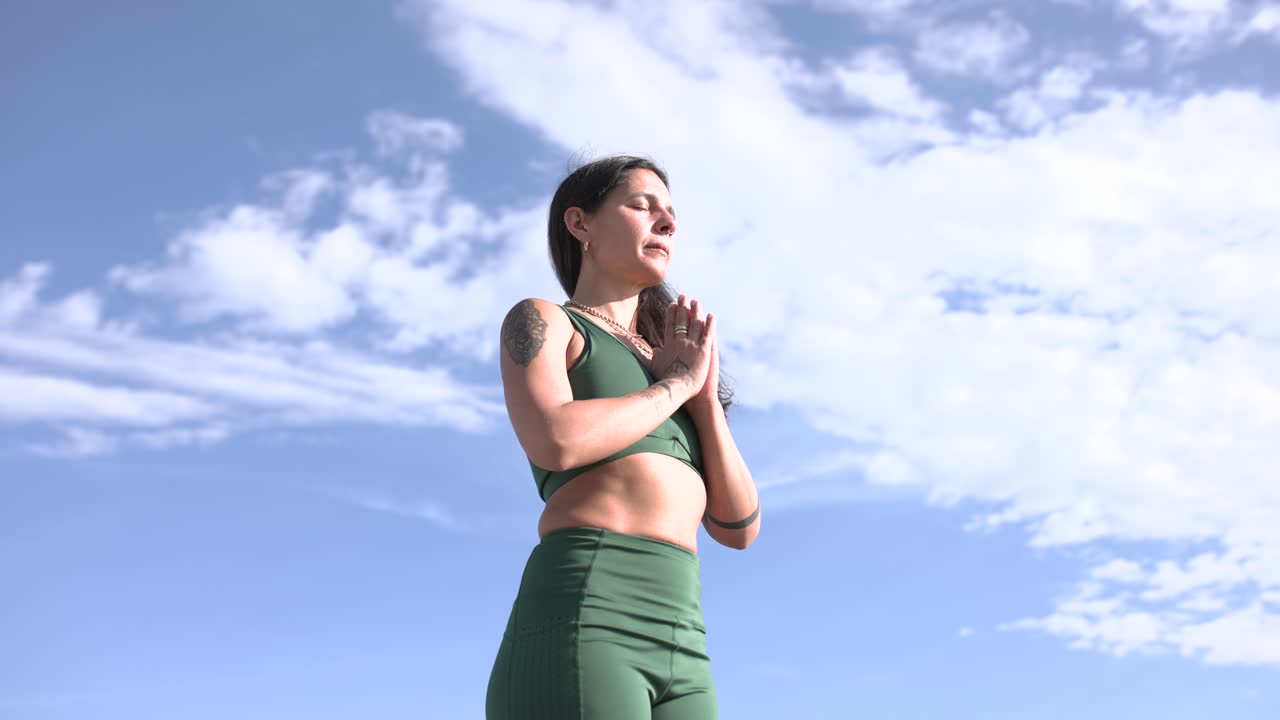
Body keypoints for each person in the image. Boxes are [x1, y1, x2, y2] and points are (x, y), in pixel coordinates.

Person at [486, 155, 761, 719]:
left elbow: (738, 527)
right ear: (580, 224)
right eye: (642, 206)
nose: (667, 223)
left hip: (685, 632)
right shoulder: (545, 320)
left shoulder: (672, 365)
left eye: (671, 214)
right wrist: (674, 387)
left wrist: (702, 399)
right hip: (587, 608)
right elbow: (555, 440)